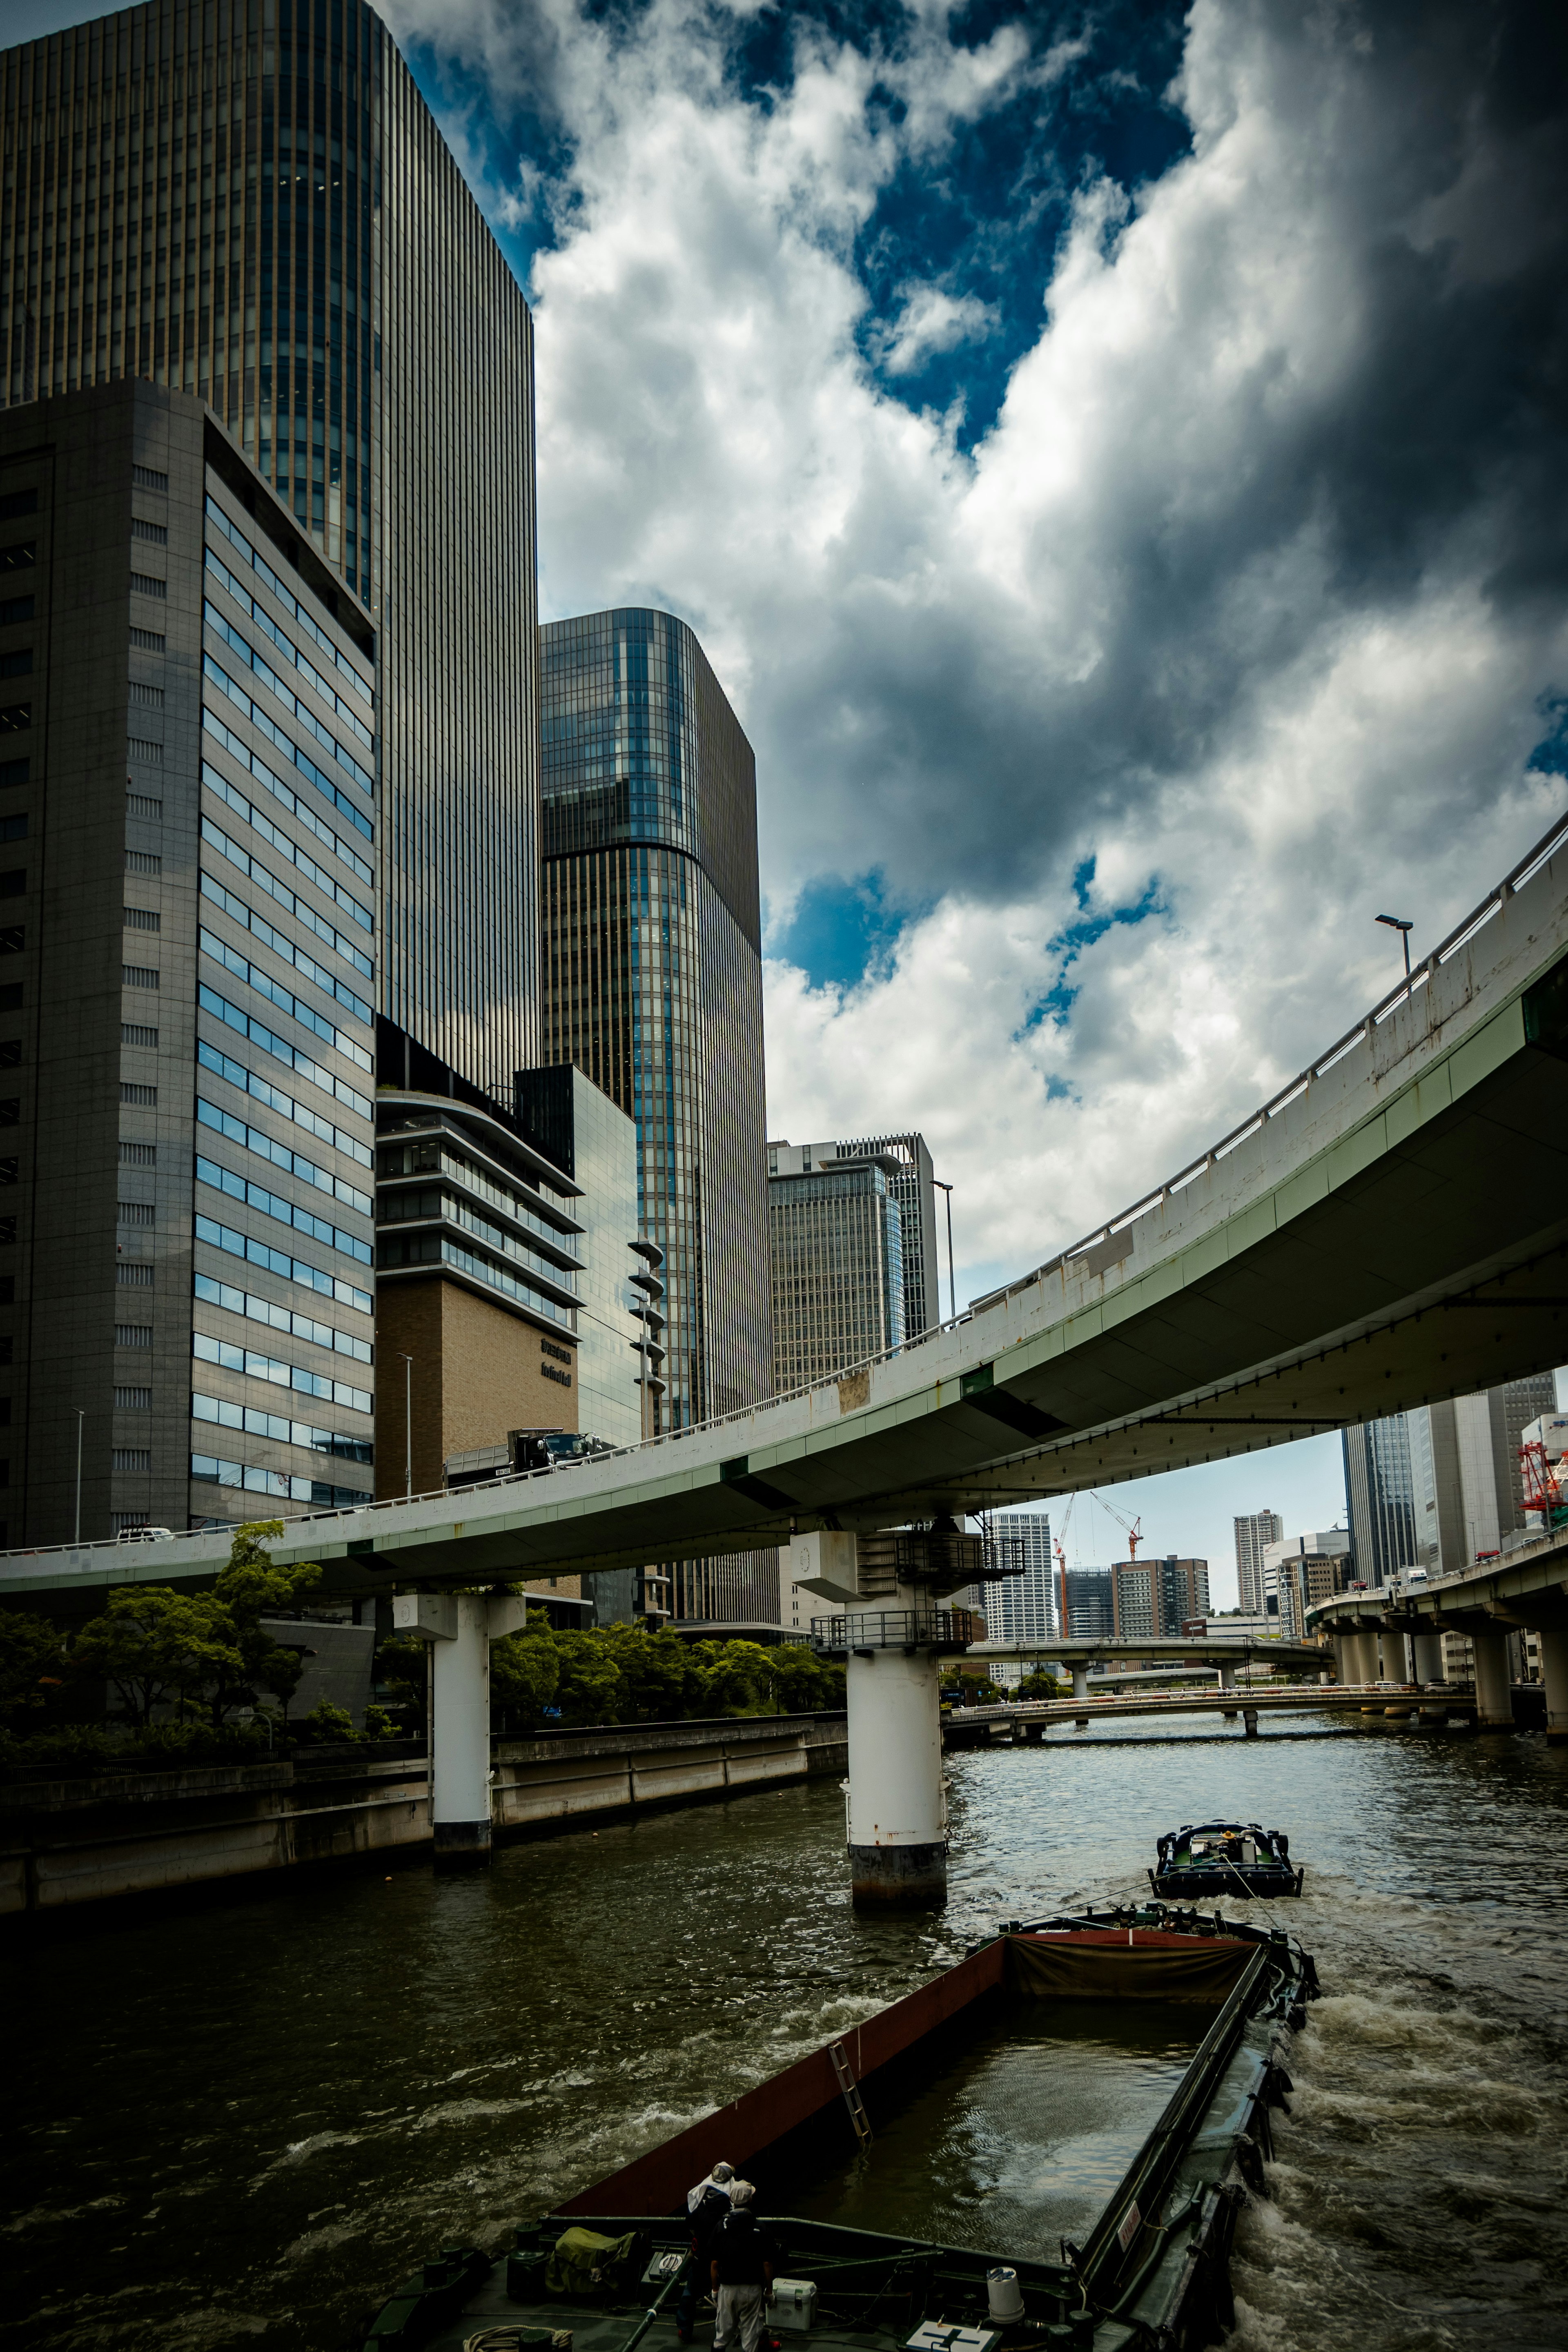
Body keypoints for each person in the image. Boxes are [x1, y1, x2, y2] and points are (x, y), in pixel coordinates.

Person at [710, 2180, 778, 2352]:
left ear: (732, 2200)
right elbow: (768, 2263)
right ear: (750, 2200)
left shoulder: (720, 2227)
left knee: (722, 2336)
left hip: (727, 2289)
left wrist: (715, 2290)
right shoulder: (760, 2228)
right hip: (751, 2289)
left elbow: (715, 2263)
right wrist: (769, 2291)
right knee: (750, 2338)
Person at [675, 2161, 735, 2343]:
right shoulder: (727, 2208)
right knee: (727, 2296)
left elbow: (689, 2222)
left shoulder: (702, 2205)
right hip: (722, 2260)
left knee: (690, 2293)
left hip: (701, 2257)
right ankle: (728, 2333)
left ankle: (685, 2330)